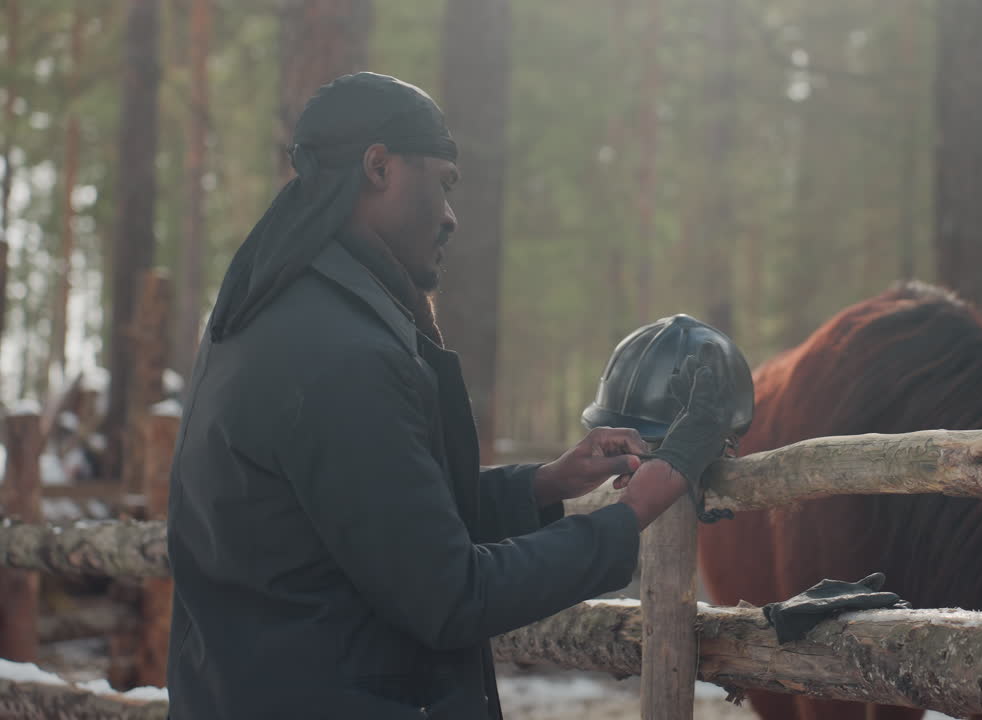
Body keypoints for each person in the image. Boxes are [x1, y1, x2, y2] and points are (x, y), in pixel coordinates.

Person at [165, 72, 737, 719]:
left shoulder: (272, 314)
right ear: (378, 167)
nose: (449, 215)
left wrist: (544, 485)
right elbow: (449, 596)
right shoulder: (339, 354)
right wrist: (630, 511)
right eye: (442, 183)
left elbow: (378, 525)